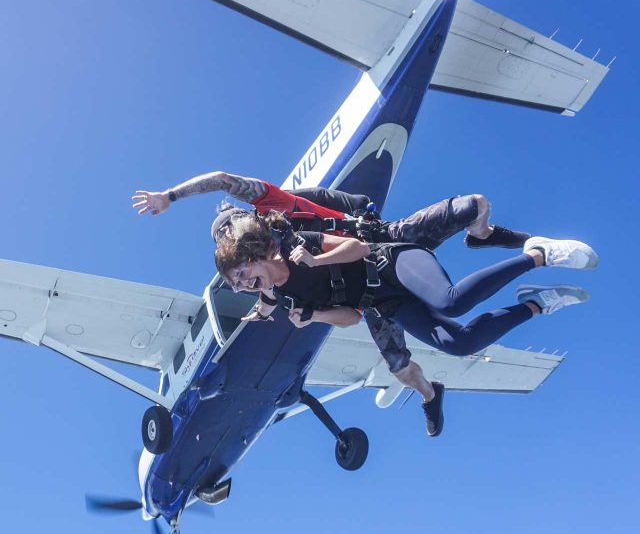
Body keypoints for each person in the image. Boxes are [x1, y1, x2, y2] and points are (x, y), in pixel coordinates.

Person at [132, 171, 531, 410]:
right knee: (403, 366)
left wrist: (170, 196)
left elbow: (222, 180)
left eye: (229, 228)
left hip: (380, 243)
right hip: (370, 295)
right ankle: (431, 395)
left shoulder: (277, 214)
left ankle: (486, 237)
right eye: (221, 239)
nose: (228, 236)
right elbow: (272, 300)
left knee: (473, 209)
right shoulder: (270, 274)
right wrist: (270, 312)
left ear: (244, 220)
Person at [213, 211, 598, 437]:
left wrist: (316, 262)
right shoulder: (286, 300)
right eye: (237, 285)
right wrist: (314, 316)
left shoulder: (300, 244)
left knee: (453, 300)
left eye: (242, 273)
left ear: (253, 255)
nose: (244, 284)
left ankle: (539, 255)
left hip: (390, 263)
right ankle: (535, 304)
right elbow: (350, 317)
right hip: (384, 301)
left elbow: (359, 248)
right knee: (459, 343)